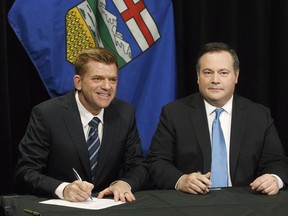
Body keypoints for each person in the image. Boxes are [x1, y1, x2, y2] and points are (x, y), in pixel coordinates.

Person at [146, 42, 288, 196]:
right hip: (192, 203)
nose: (215, 79)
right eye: (208, 72)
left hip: (245, 201)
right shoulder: (174, 113)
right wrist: (181, 180)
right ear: (198, 77)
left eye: (223, 72)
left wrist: (274, 179)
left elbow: (277, 162)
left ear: (236, 76)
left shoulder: (259, 115)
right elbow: (156, 162)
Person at [14, 47, 148, 202]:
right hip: (60, 208)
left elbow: (138, 165)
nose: (107, 86)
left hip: (107, 207)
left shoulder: (125, 113)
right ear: (78, 82)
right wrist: (63, 189)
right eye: (97, 79)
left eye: (112, 79)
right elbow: (25, 172)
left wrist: (124, 183)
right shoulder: (47, 114)